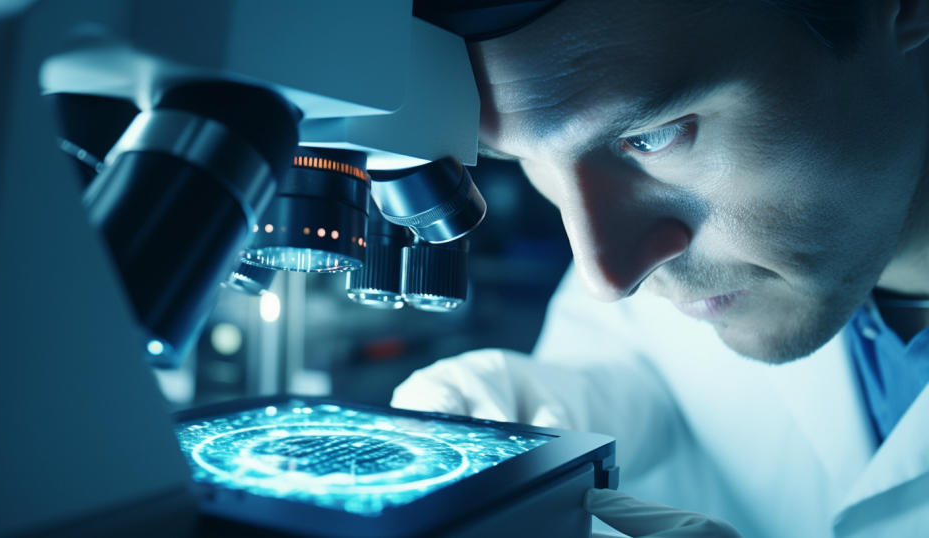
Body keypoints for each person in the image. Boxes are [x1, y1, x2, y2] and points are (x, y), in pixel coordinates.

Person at [393, 1, 929, 536]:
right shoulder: (699, 274)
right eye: (522, 159)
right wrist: (541, 410)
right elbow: (648, 375)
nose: (605, 279)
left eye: (655, 136)